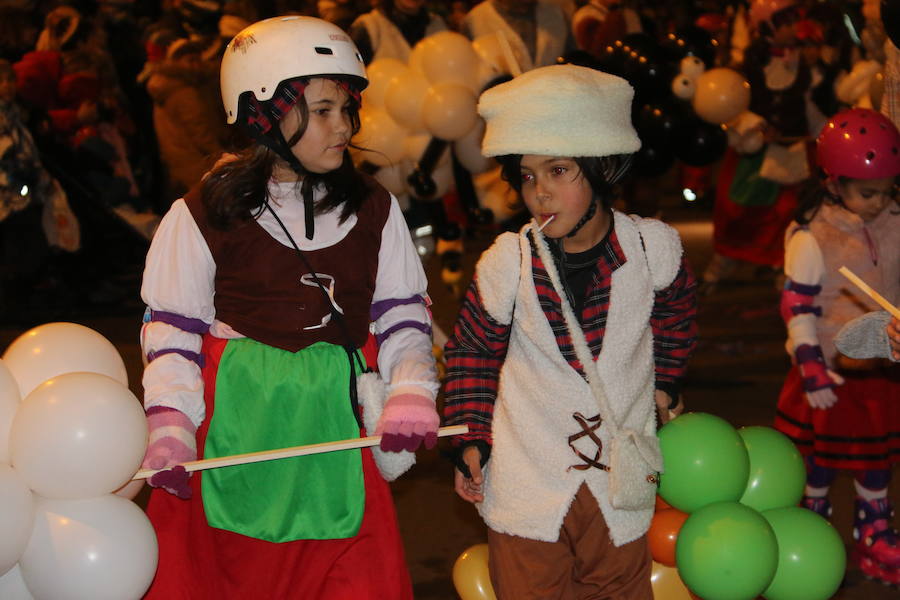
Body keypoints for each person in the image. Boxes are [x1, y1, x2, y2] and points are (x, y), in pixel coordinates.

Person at [138, 16, 439, 599]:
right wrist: (171, 424)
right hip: (235, 438)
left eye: (347, 110)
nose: (343, 127)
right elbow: (173, 332)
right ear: (262, 113)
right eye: (322, 110)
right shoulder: (203, 213)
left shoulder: (375, 208)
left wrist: (410, 389)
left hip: (338, 441)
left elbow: (402, 313)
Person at [443, 64, 698, 599]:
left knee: (620, 590)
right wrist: (469, 437)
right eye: (529, 176)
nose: (540, 193)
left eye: (559, 171)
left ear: (601, 168)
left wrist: (665, 385)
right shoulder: (506, 262)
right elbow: (472, 352)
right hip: (527, 478)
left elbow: (675, 320)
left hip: (618, 482)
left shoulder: (653, 250)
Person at [773, 107, 900, 586]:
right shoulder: (813, 235)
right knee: (819, 462)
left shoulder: (894, 219)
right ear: (834, 182)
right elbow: (796, 305)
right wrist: (809, 364)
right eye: (868, 192)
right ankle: (813, 525)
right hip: (832, 371)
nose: (878, 202)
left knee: (876, 463)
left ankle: (874, 532)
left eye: (887, 191)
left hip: (881, 370)